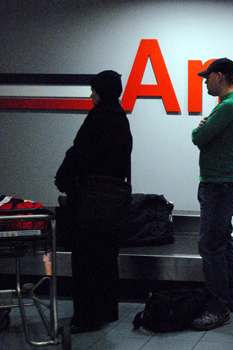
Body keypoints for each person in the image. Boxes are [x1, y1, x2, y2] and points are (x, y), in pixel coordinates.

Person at [55, 70, 132, 333]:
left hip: (90, 200)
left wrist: (65, 181)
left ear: (101, 91)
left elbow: (79, 153)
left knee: (86, 260)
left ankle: (87, 317)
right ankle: (107, 309)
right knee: (107, 257)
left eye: (94, 91)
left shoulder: (97, 118)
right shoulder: (121, 118)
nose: (91, 95)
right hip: (112, 201)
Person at [191, 58, 233, 331]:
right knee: (222, 241)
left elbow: (198, 137)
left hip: (221, 185)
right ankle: (230, 300)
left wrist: (201, 128)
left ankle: (218, 308)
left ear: (220, 76)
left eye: (208, 77)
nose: (205, 81)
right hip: (223, 183)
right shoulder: (229, 106)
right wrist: (206, 126)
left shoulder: (229, 105)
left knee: (210, 245)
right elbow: (206, 132)